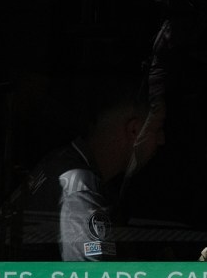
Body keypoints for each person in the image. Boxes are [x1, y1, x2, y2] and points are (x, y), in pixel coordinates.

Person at [23, 73, 167, 260]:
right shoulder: (79, 186)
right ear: (134, 130)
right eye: (158, 129)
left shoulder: (66, 163)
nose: (162, 140)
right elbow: (93, 276)